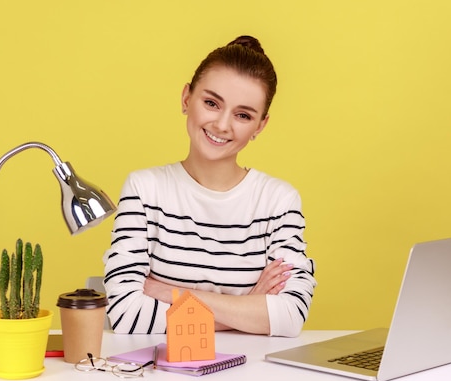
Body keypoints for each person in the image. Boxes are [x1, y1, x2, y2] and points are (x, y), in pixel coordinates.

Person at [103, 35, 316, 337]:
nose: (222, 125)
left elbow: (290, 317)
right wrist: (248, 307)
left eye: (243, 115)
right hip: (159, 380)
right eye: (211, 103)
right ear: (186, 98)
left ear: (260, 126)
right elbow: (127, 315)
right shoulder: (144, 189)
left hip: (253, 378)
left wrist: (165, 292)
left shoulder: (278, 201)